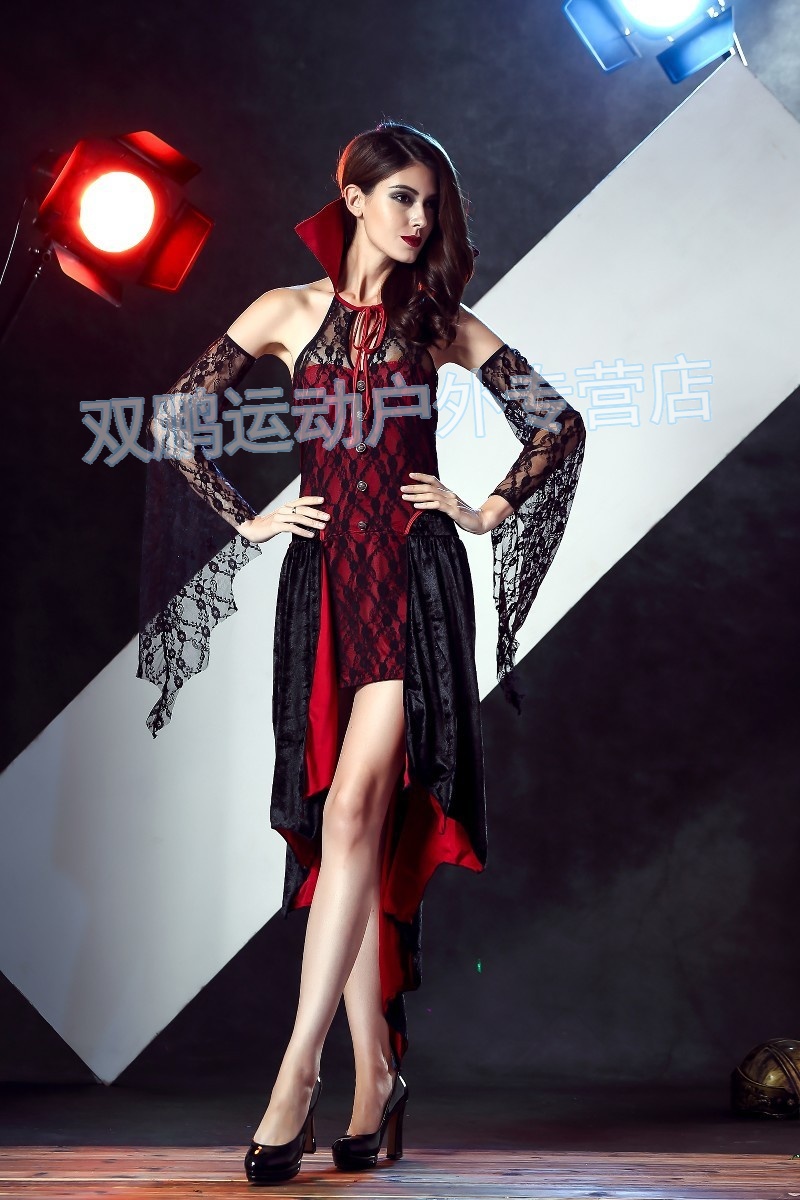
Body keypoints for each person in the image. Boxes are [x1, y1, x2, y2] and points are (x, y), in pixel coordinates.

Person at [137, 120, 587, 1185]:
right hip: (325, 587)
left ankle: (294, 1079)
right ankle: (376, 1074)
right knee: (349, 838)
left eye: (431, 204)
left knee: (348, 818)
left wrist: (482, 509)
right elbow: (170, 421)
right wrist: (248, 519)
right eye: (401, 198)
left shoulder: (439, 324)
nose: (419, 219)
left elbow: (555, 424)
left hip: (414, 585)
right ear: (352, 198)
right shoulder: (285, 313)